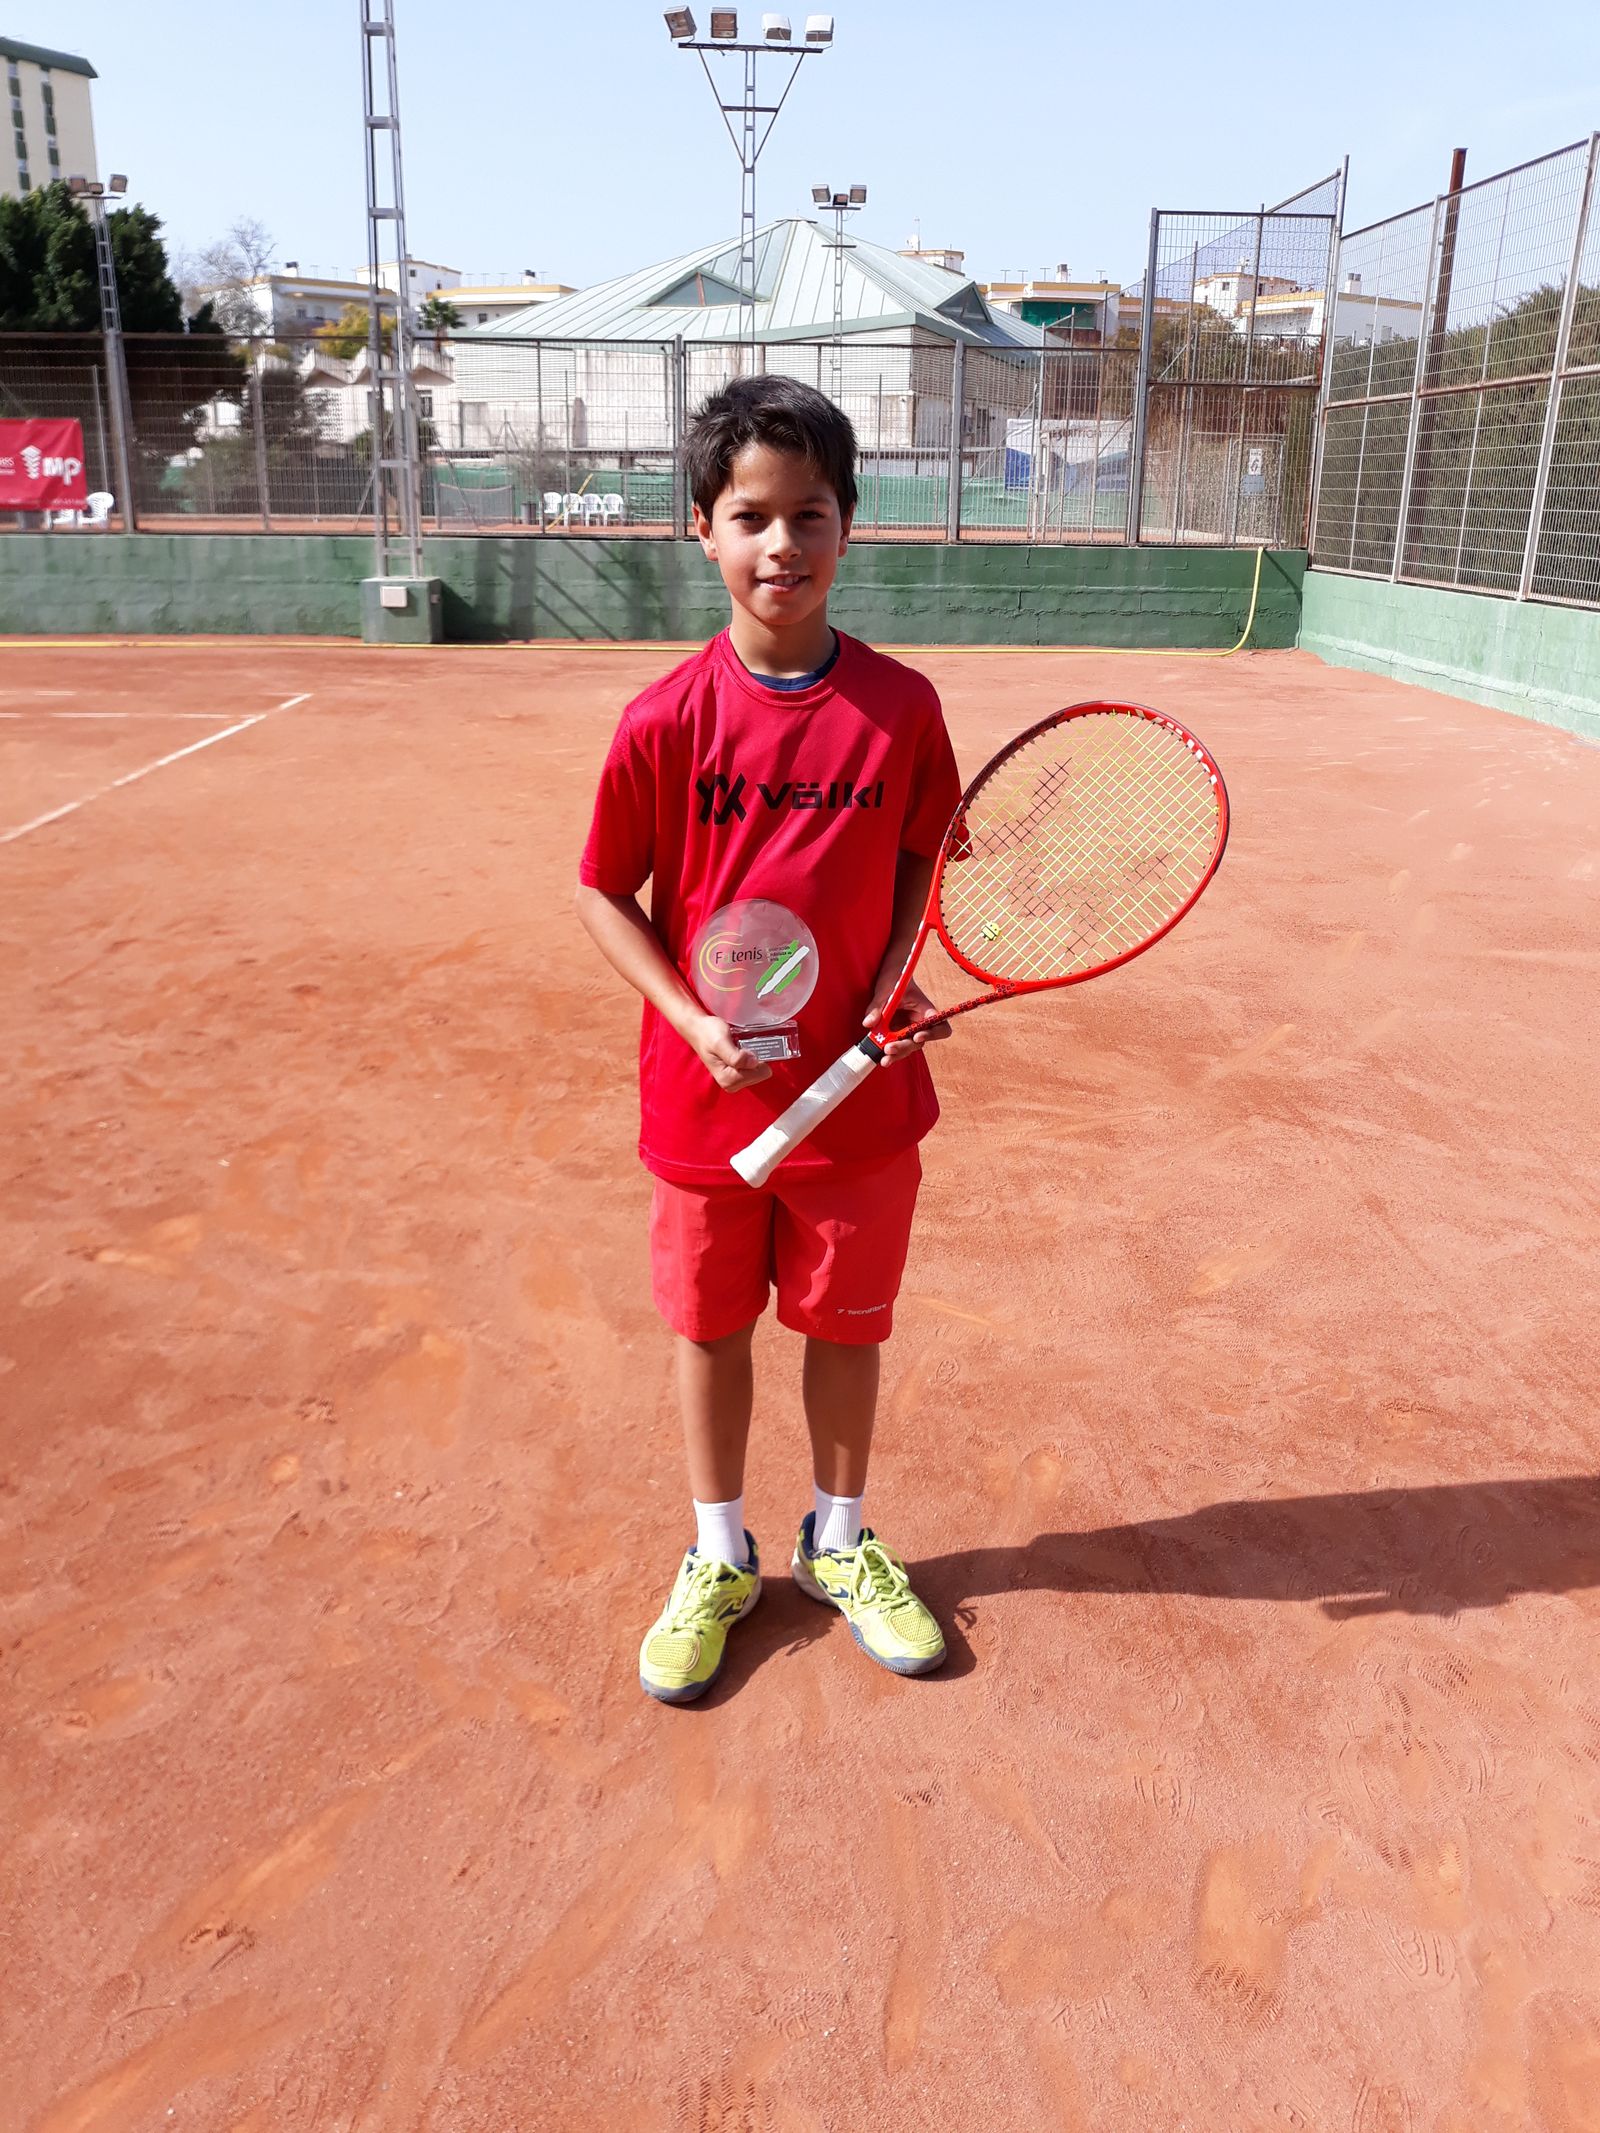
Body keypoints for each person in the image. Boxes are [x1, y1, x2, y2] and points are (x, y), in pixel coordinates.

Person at [575, 374, 962, 1703]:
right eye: (751, 515)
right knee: (711, 1329)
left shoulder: (903, 710)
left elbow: (922, 859)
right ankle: (719, 1552)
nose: (780, 543)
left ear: (850, 525)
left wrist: (900, 978)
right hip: (707, 1110)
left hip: (858, 1104)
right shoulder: (663, 721)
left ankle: (839, 1543)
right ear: (703, 529)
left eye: (809, 513)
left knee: (846, 1326)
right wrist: (689, 1020)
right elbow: (600, 894)